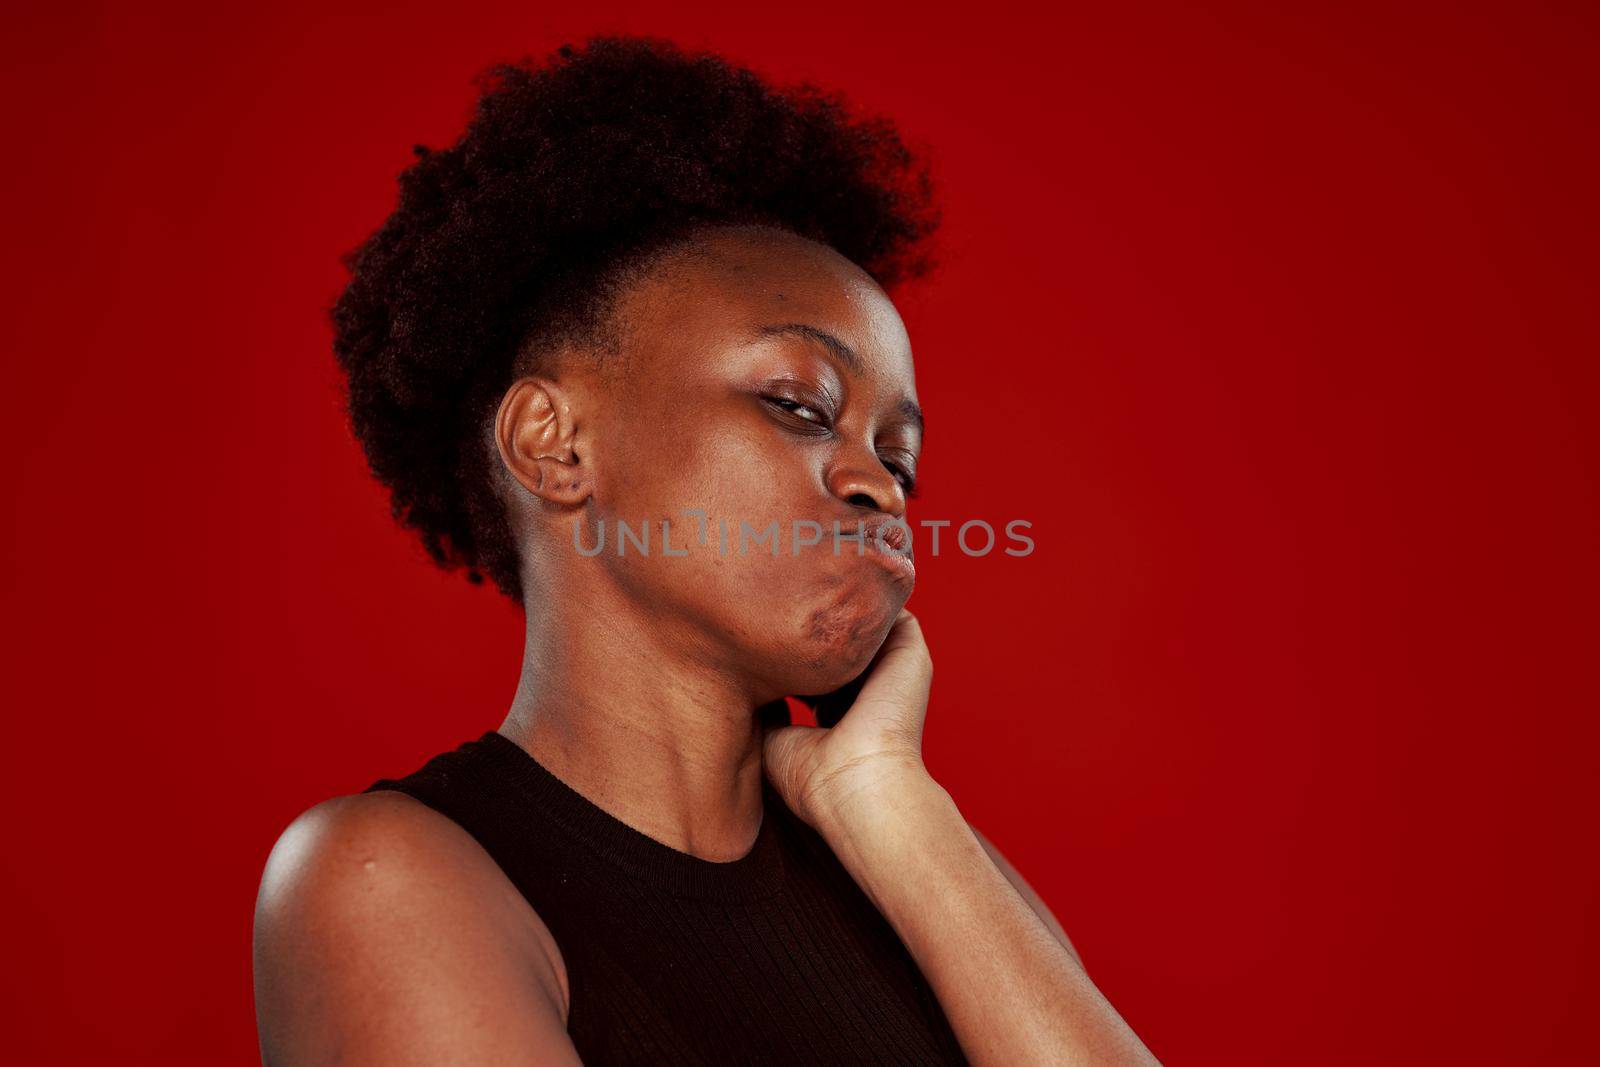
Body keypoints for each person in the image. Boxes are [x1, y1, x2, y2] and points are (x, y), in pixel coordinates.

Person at [252, 34, 1160, 1066]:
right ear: (553, 445)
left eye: (899, 459)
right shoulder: (389, 875)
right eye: (799, 404)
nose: (876, 483)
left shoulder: (920, 861)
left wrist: (889, 800)